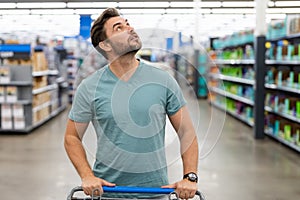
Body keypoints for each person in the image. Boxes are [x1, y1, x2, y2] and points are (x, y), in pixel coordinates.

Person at [64, 7, 199, 199]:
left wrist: (190, 176)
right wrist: (87, 175)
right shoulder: (89, 87)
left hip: (155, 192)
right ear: (106, 45)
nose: (130, 28)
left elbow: (187, 131)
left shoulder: (163, 79)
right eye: (119, 28)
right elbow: (71, 137)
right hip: (109, 192)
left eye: (128, 23)